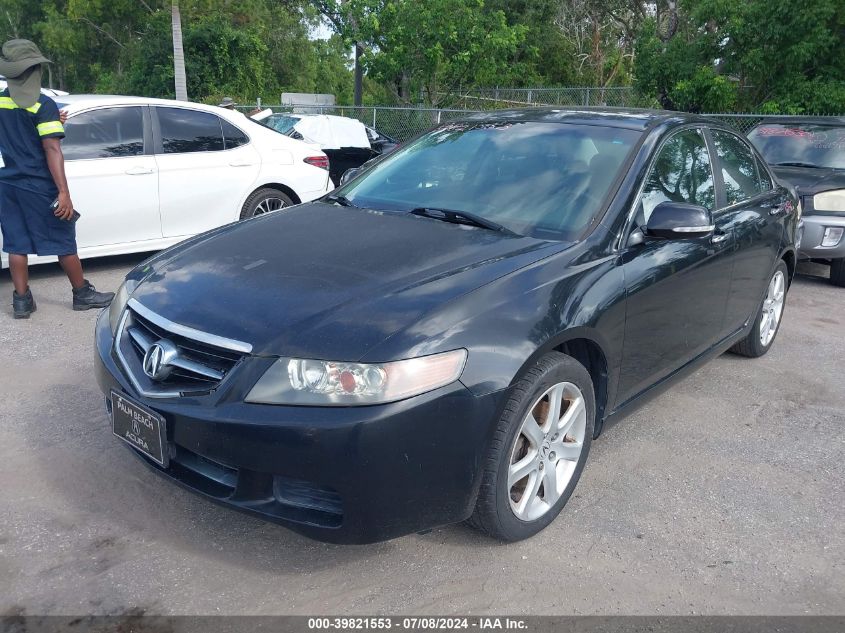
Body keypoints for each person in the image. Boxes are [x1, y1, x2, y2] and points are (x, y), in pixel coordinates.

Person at [0, 39, 113, 318]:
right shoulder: (43, 104)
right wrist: (63, 192)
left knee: (16, 244)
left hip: (7, 185)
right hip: (38, 184)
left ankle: (22, 301)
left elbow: (16, 131)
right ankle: (82, 294)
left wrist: (52, 122)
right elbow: (51, 148)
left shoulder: (2, 100)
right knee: (64, 239)